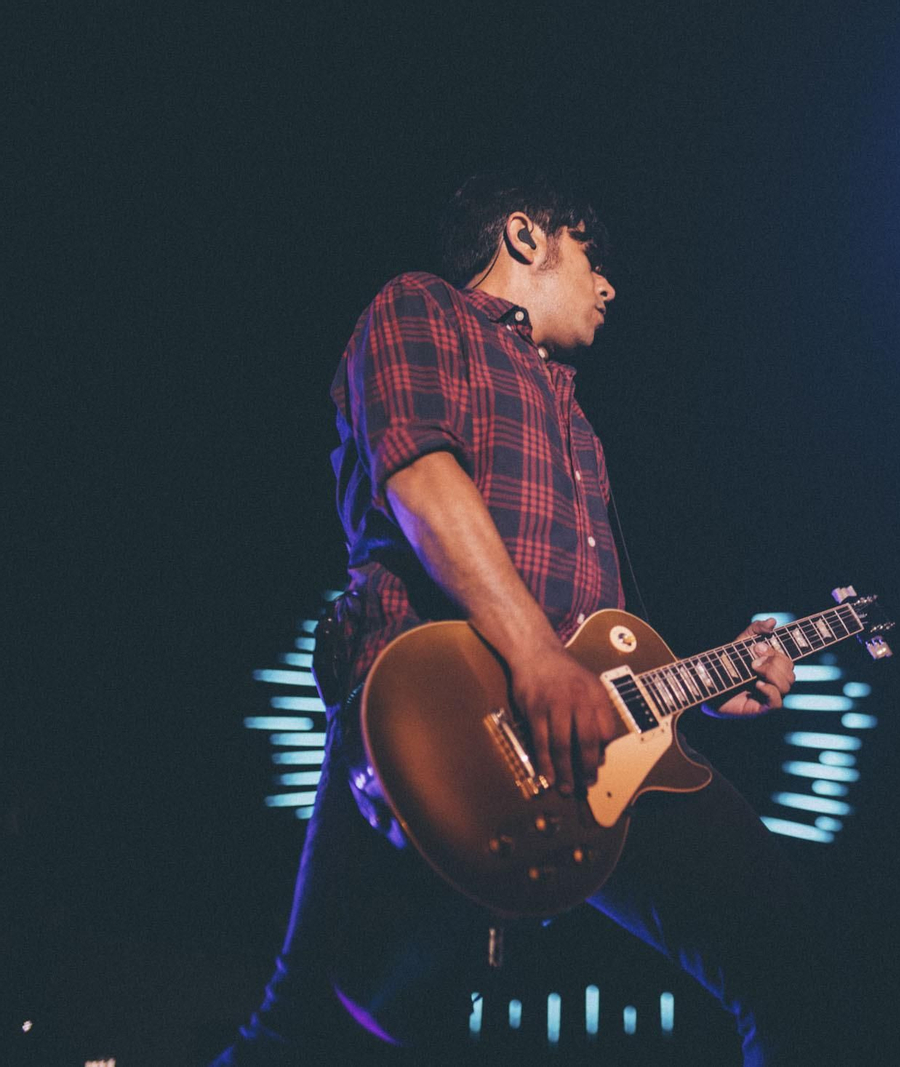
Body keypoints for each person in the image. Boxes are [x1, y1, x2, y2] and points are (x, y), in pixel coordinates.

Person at [213, 171, 836, 1065]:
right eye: (593, 255)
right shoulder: (420, 309)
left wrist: (702, 683)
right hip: (441, 715)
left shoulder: (577, 422)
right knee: (319, 1033)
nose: (610, 285)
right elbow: (421, 477)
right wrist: (541, 663)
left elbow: (599, 641)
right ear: (524, 236)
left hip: (584, 756)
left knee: (789, 953)